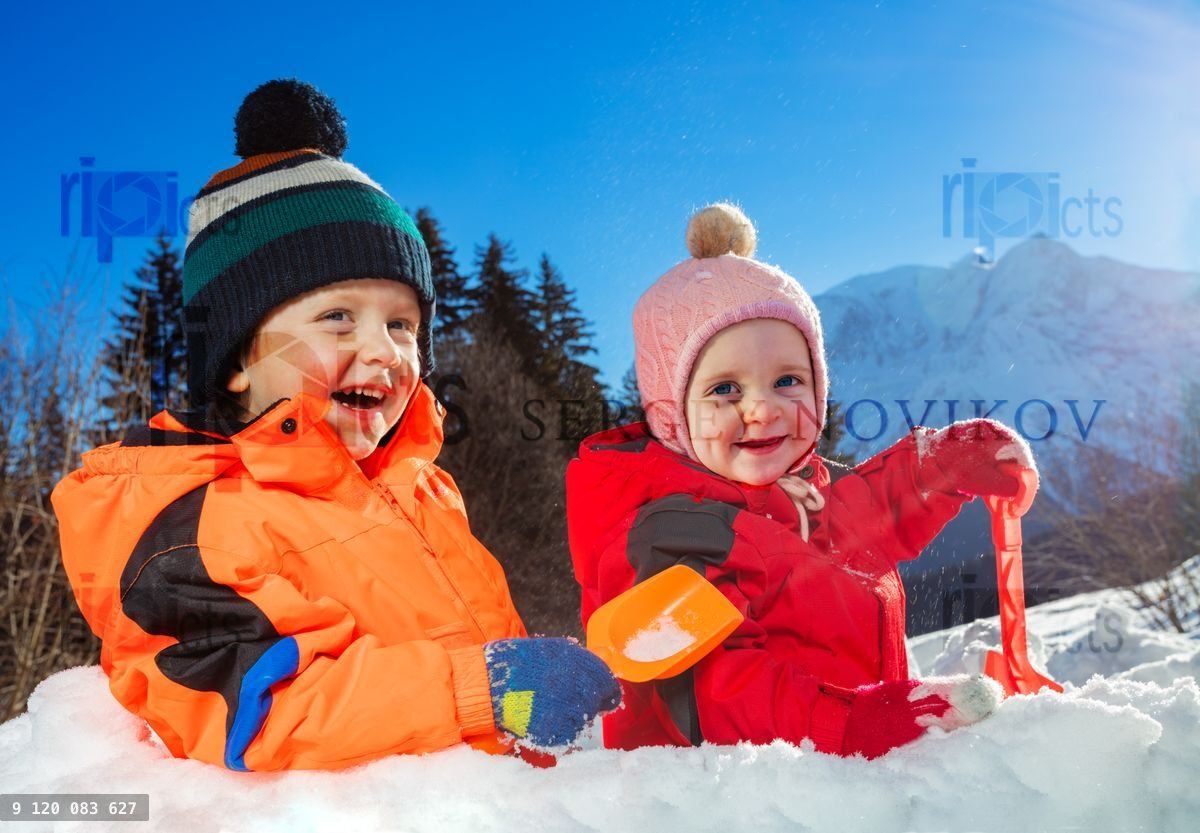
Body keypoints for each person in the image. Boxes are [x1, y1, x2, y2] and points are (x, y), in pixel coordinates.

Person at [51, 79, 618, 772]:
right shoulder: (188, 522)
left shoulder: (423, 496)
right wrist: (485, 689)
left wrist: (536, 707)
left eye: (401, 324)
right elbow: (260, 711)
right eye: (337, 317)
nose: (383, 349)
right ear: (236, 359)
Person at [567, 203, 1029, 758]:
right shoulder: (666, 535)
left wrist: (939, 468)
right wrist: (851, 723)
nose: (762, 410)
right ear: (671, 413)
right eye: (724, 390)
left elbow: (857, 520)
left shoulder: (794, 497)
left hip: (831, 776)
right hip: (727, 804)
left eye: (787, 379)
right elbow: (716, 685)